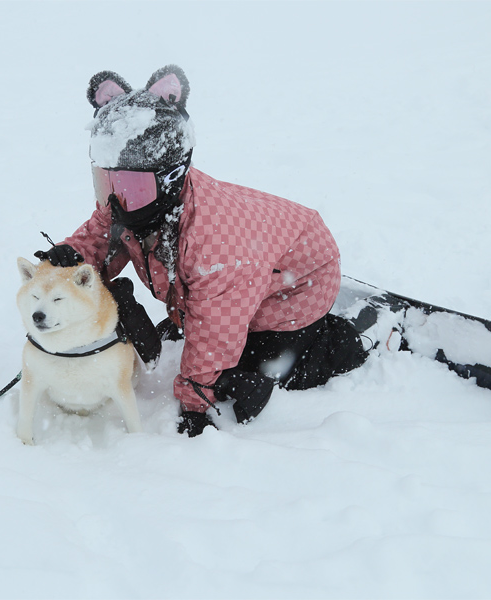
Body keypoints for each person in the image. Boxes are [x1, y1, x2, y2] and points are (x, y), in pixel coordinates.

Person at [35, 65, 368, 437]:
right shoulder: (137, 200)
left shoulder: (216, 250)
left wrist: (196, 399)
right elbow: (103, 232)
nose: (117, 198)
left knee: (250, 363)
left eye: (131, 186)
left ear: (170, 178)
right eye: (108, 180)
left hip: (302, 281)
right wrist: (70, 256)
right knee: (204, 318)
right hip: (256, 264)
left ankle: (330, 342)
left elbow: (217, 331)